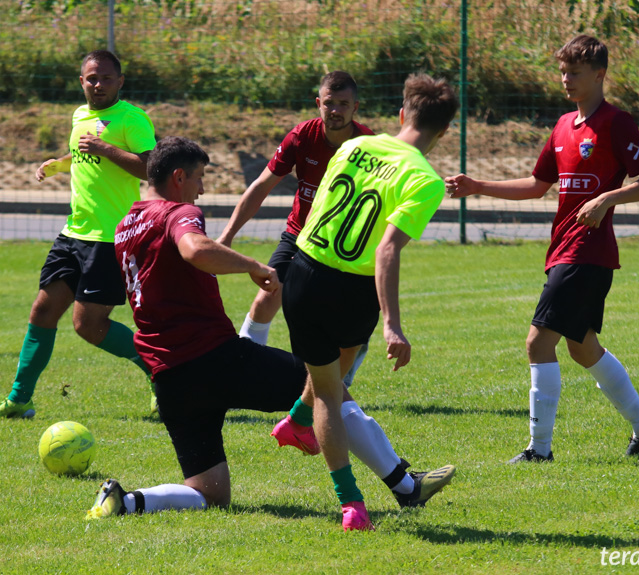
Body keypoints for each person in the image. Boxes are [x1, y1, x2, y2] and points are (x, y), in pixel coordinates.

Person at [445, 35, 639, 463]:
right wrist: (477, 186)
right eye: (562, 71)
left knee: (537, 342)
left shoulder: (617, 124)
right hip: (563, 250)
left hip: (588, 252)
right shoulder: (564, 126)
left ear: (600, 74)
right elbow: (536, 186)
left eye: (575, 72)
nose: (565, 79)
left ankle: (539, 450)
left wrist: (608, 198)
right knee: (581, 348)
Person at [88, 136, 307, 519]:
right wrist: (254, 266)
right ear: (178, 177)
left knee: (211, 494)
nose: (202, 189)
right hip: (212, 359)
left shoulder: (125, 225)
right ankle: (401, 481)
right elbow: (194, 248)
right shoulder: (178, 212)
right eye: (200, 178)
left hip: (169, 376)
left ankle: (126, 501)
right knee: (322, 384)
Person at [280, 74, 460, 531]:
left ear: (402, 114)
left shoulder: (354, 147)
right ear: (443, 133)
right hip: (351, 290)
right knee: (330, 392)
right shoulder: (424, 179)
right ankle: (351, 504)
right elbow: (386, 249)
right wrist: (392, 323)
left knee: (328, 377)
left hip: (302, 271)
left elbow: (319, 210)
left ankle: (297, 422)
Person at [0, 50, 157, 420]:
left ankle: (159, 372)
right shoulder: (79, 115)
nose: (99, 84)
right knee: (42, 310)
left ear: (120, 82)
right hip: (72, 234)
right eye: (92, 78)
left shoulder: (131, 118)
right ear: (81, 81)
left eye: (107, 78)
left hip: (109, 239)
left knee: (88, 326)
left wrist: (107, 149)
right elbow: (81, 156)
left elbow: (152, 168)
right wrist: (60, 164)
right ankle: (18, 399)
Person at [217, 71, 373, 386]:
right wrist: (227, 236)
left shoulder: (367, 146)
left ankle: (340, 378)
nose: (336, 110)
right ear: (319, 103)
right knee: (267, 292)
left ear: (355, 107)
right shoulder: (302, 136)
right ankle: (240, 369)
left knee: (343, 323)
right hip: (300, 233)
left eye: (343, 104)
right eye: (329, 103)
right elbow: (261, 186)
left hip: (342, 245)